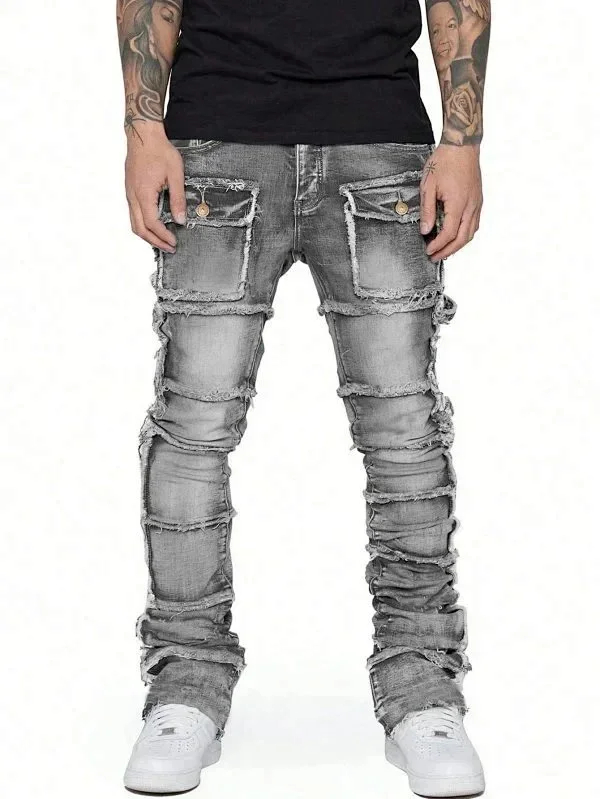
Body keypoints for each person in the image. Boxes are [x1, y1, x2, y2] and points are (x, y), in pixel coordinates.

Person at [116, 1, 491, 795]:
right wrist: (143, 130)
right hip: (217, 140)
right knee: (193, 425)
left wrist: (463, 142)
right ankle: (185, 684)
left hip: (378, 139)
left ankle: (423, 688)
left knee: (404, 430)